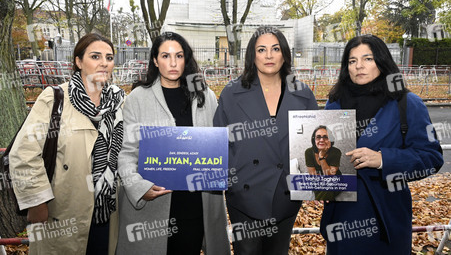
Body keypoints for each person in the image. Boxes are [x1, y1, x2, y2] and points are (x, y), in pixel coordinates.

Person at [320, 34, 443, 254]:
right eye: (352, 60)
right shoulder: (334, 103)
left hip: (385, 217)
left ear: (382, 61)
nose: (359, 66)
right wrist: (320, 184)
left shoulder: (407, 103)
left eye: (367, 59)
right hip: (341, 218)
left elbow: (432, 157)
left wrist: (383, 159)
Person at [9, 33, 125, 254]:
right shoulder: (54, 99)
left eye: (109, 57)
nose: (104, 63)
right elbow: (23, 153)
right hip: (61, 212)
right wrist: (37, 201)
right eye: (95, 56)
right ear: (79, 62)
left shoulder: (119, 101)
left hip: (106, 213)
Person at [116, 32, 230, 255]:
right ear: (155, 61)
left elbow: (218, 144)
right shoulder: (137, 98)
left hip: (195, 205)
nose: (173, 62)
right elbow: (127, 153)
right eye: (165, 56)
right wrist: (139, 187)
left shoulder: (205, 96)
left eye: (178, 55)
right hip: (154, 205)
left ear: (185, 59)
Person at [214, 26, 318, 254]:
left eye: (275, 49)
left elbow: (315, 144)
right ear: (252, 55)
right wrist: (233, 182)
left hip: (286, 196)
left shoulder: (303, 93)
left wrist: (322, 185)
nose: (269, 55)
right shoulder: (231, 93)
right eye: (262, 50)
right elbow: (219, 143)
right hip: (244, 197)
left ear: (284, 54)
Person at [304, 125, 342, 200]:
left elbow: (330, 176)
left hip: (335, 180)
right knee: (326, 188)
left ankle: (315, 208)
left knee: (329, 186)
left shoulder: (336, 152)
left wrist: (321, 157)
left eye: (325, 137)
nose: (321, 140)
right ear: (314, 139)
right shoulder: (308, 152)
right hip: (317, 182)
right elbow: (313, 176)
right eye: (318, 137)